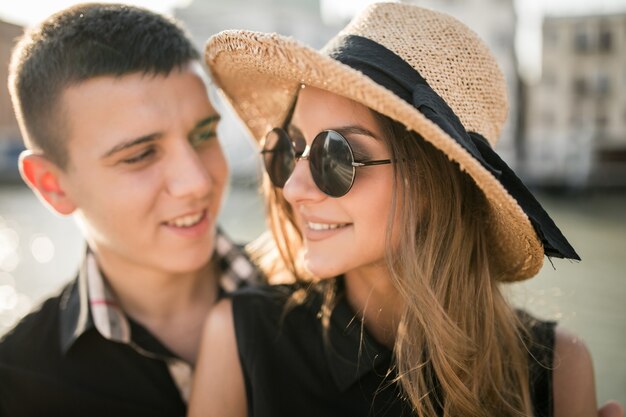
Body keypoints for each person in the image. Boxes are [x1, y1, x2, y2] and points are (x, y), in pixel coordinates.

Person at [190, 3, 623, 417]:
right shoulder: (241, 336)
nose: (293, 188)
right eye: (292, 149)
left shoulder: (557, 369)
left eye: (336, 156)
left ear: (435, 185)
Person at [1, 3, 260, 416]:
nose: (196, 181)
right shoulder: (16, 384)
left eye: (204, 133)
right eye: (140, 155)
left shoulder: (327, 304)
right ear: (53, 185)